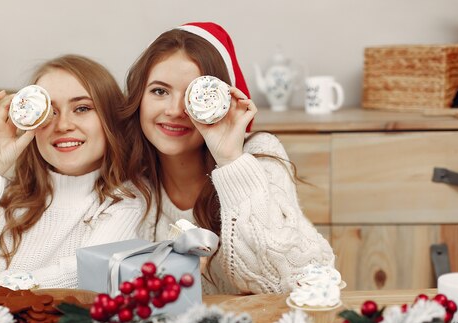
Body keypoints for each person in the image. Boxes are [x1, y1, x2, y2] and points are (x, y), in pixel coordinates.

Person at [0, 55, 143, 309]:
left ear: (110, 119)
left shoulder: (125, 204)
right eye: (49, 112)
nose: (63, 125)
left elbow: (89, 280)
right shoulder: (2, 200)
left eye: (82, 108)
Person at [122, 22, 335, 294]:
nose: (175, 110)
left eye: (192, 95)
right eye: (159, 91)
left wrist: (231, 161)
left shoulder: (259, 155)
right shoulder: (130, 180)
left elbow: (299, 281)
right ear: (139, 97)